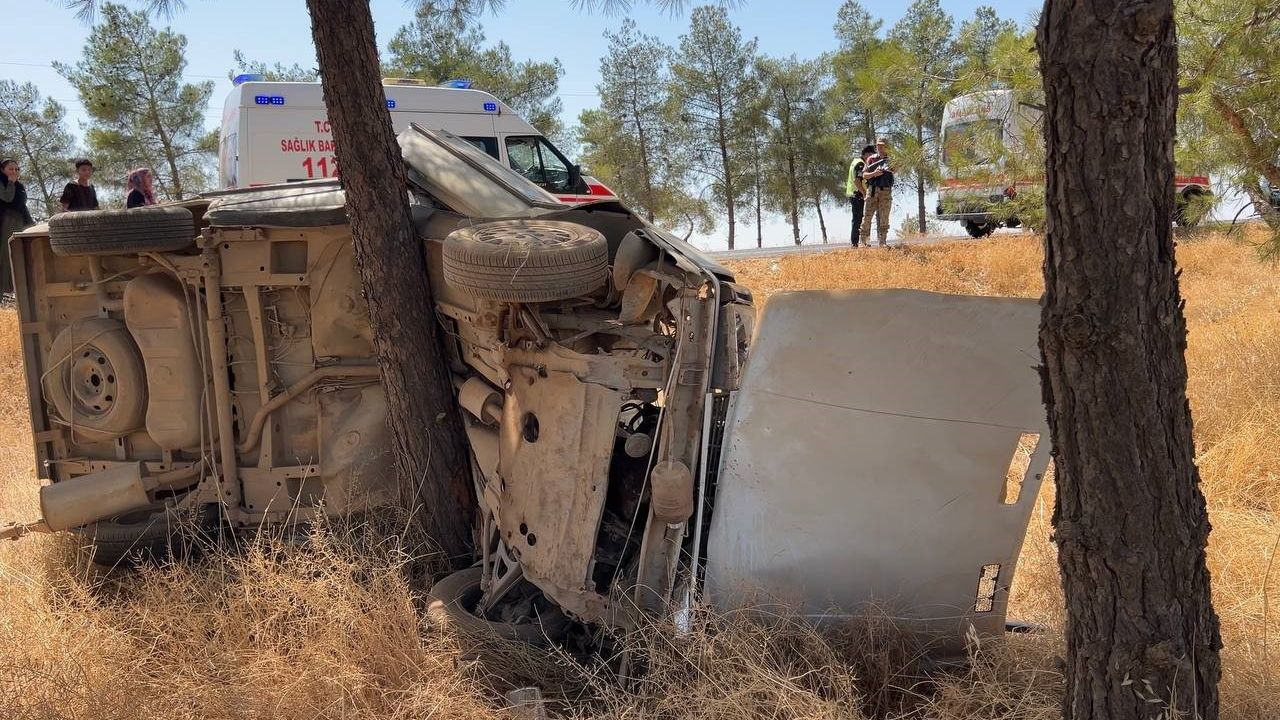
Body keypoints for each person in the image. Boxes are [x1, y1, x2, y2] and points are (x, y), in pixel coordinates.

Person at [1, 159, 35, 296]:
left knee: (21, 256)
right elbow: (7, 197)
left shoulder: (19, 185)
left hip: (19, 221)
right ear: (2, 170)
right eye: (11, 169)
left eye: (17, 169)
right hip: (6, 221)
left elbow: (22, 205)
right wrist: (10, 181)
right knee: (5, 256)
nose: (14, 172)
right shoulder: (4, 182)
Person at [860, 136, 895, 247]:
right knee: (867, 216)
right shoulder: (871, 159)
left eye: (882, 145)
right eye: (878, 145)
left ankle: (882, 242)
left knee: (884, 217)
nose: (880, 147)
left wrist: (890, 168)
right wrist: (874, 173)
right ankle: (864, 242)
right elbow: (864, 175)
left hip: (886, 191)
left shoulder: (891, 159)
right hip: (873, 191)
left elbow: (896, 169)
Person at [845, 145, 873, 246]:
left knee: (857, 219)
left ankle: (858, 242)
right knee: (859, 219)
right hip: (858, 195)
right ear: (866, 154)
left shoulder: (855, 162)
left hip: (854, 194)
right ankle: (856, 243)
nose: (871, 158)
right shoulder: (861, 164)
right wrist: (865, 194)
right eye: (870, 155)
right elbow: (857, 181)